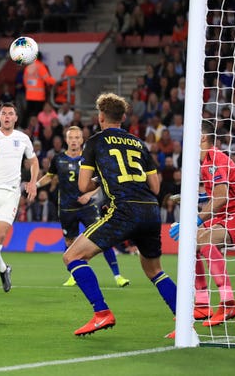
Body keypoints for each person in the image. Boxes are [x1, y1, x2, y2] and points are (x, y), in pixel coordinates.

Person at [62, 93, 177, 336]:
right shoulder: (139, 143)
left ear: (100, 117)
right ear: (123, 118)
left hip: (124, 210)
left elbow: (83, 186)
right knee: (154, 270)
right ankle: (183, 320)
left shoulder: (95, 141)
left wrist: (100, 179)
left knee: (72, 257)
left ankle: (101, 313)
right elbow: (155, 187)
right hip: (150, 210)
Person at [170, 120, 235, 327]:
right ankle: (203, 305)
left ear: (202, 137)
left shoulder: (214, 159)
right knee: (191, 243)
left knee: (200, 240)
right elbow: (219, 195)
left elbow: (221, 198)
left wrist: (193, 220)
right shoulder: (205, 162)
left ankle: (228, 301)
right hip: (229, 215)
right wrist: (195, 200)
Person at [36, 126, 131, 288]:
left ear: (82, 140)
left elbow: (102, 179)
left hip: (88, 207)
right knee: (70, 241)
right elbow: (49, 177)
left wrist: (90, 194)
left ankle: (118, 276)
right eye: (71, 138)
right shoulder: (58, 159)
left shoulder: (89, 158)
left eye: (77, 138)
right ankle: (74, 275)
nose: (74, 141)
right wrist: (36, 184)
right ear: (66, 140)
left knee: (103, 239)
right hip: (67, 208)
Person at [0, 103, 38, 292]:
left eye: (11, 114)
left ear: (16, 118)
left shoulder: (23, 138)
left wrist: (33, 181)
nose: (7, 117)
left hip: (10, 193)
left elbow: (33, 161)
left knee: (0, 235)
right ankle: (4, 269)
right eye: (4, 113)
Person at [23, 52, 56, 125]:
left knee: (28, 112)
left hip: (29, 95)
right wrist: (57, 82)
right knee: (39, 114)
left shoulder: (28, 67)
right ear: (41, 58)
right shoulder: (40, 66)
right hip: (39, 96)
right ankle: (37, 129)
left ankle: (23, 126)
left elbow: (25, 80)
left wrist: (29, 89)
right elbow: (47, 79)